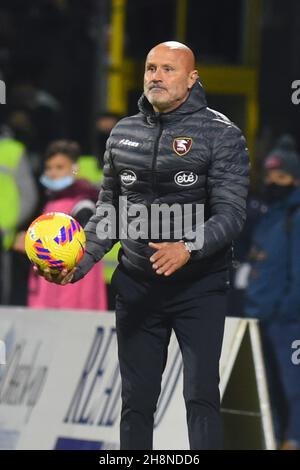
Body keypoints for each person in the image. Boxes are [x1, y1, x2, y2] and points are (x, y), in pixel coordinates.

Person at [37, 42, 249, 449]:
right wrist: (78, 264)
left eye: (168, 69)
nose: (156, 75)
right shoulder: (123, 132)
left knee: (200, 396)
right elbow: (108, 213)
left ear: (191, 79)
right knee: (136, 400)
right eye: (151, 67)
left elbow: (231, 214)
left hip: (199, 287)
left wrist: (188, 246)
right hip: (136, 283)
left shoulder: (221, 134)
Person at [244, 135, 300, 450]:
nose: (273, 182)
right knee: (269, 388)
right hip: (261, 317)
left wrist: (285, 310)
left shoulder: (296, 216)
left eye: (281, 176)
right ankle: (276, 438)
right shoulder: (270, 214)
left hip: (287, 320)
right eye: (269, 175)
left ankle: (293, 439)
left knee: (293, 385)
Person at [26, 139, 107, 310]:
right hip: (52, 278)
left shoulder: (82, 201)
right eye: (49, 168)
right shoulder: (53, 200)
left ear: (74, 169)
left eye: (59, 167)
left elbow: (85, 237)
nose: (53, 173)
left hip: (73, 282)